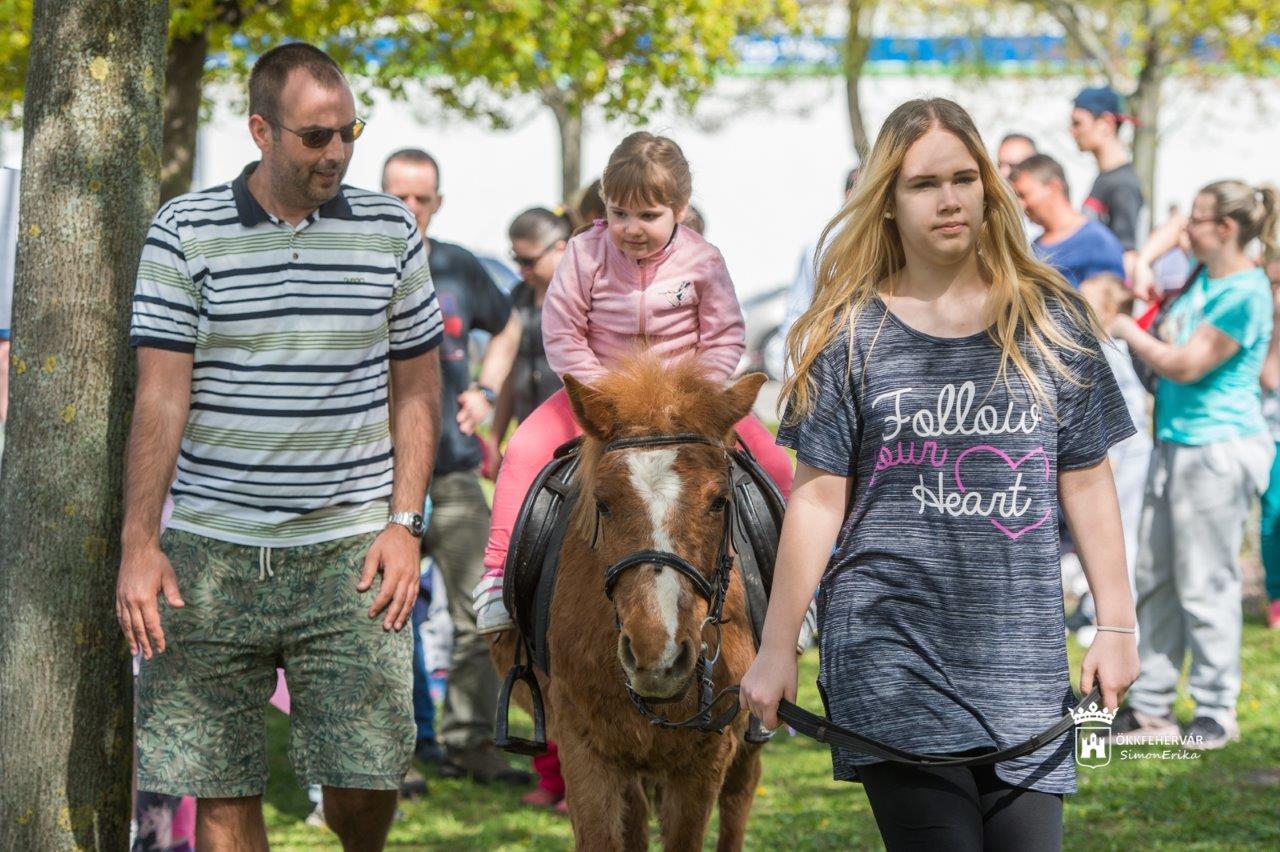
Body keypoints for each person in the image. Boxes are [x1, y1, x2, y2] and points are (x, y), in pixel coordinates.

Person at [739, 97, 1139, 850]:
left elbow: (1087, 478)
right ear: (887, 201)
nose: (949, 199)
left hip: (1020, 661)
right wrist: (776, 645)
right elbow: (817, 500)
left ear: (989, 186)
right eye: (923, 184)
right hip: (890, 653)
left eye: (964, 178)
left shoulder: (1052, 321)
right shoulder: (848, 334)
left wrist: (1116, 624)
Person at [117, 43, 443, 852]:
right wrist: (140, 543)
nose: (336, 152)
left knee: (367, 775)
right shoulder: (185, 230)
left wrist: (406, 523)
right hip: (211, 551)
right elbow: (160, 395)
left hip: (352, 550)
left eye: (349, 132)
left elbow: (417, 388)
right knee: (221, 783)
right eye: (315, 136)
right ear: (261, 130)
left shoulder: (390, 229)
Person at [472, 131, 796, 635]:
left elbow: (725, 334)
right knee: (523, 450)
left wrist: (697, 395)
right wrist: (601, 391)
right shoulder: (584, 254)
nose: (631, 228)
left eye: (648, 215)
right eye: (619, 213)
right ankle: (497, 575)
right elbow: (563, 332)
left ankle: (794, 588)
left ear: (680, 209)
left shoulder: (703, 260)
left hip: (686, 401)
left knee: (774, 462)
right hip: (602, 393)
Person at [1109, 180, 1279, 748]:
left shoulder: (1246, 292)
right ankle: (1152, 707)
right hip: (1175, 443)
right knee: (1155, 577)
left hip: (1217, 451)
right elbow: (1158, 252)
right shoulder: (1206, 276)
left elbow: (1185, 365)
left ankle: (1215, 708)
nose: (1185, 230)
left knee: (1206, 583)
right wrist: (1146, 264)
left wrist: (1124, 328)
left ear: (1225, 229)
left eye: (1197, 220)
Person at [380, 148, 531, 785]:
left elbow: (509, 323)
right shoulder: (362, 262)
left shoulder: (457, 265)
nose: (411, 208)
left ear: (437, 202)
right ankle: (400, 751)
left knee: (482, 613)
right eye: (399, 196)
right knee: (388, 618)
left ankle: (469, 742)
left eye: (422, 198)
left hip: (456, 474)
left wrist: (487, 391)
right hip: (382, 481)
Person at [491, 206, 573, 811]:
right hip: (535, 459)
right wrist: (495, 436)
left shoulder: (589, 289)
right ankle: (553, 776)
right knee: (535, 619)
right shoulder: (520, 300)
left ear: (562, 247)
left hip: (582, 449)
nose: (522, 270)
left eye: (528, 258)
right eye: (514, 259)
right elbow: (507, 372)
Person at [1073, 273, 1153, 644]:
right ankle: (1095, 610)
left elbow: (1131, 408)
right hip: (1116, 456)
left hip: (1125, 457)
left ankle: (1122, 623)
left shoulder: (1109, 350)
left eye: (1083, 304)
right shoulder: (1097, 348)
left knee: (1118, 535)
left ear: (1106, 312)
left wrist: (1114, 454)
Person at [778, 167, 861, 359]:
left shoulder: (898, 245)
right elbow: (798, 312)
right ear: (850, 195)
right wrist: (794, 366)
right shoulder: (820, 249)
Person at [1011, 154, 1125, 288]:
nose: (1020, 205)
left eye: (1024, 195)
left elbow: (1109, 298)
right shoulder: (1033, 248)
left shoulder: (1097, 242)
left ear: (1054, 187)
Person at [1070, 86, 1146, 258]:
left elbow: (1126, 254)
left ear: (1106, 123)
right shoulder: (1106, 178)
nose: (1072, 131)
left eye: (1077, 123)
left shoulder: (1122, 184)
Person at [1262, 256, 1280, 630]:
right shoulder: (1262, 322)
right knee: (1274, 514)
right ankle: (1276, 595)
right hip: (1271, 433)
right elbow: (1271, 377)